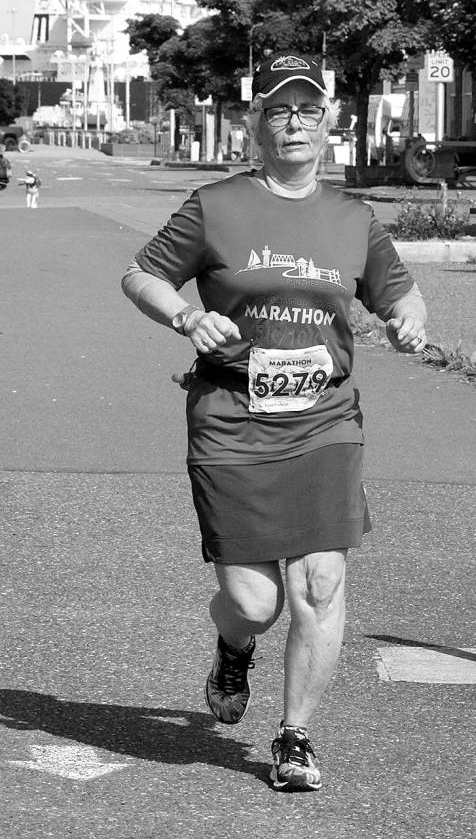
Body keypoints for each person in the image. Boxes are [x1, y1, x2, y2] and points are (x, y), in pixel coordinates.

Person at [121, 54, 427, 792]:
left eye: (308, 110)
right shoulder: (216, 204)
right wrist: (186, 315)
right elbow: (142, 274)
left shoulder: (353, 219)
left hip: (324, 421)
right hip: (232, 418)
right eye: (279, 110)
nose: (294, 122)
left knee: (321, 581)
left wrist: (409, 322)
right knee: (256, 602)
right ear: (255, 123)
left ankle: (295, 736)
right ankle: (233, 644)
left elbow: (401, 295)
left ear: (329, 124)